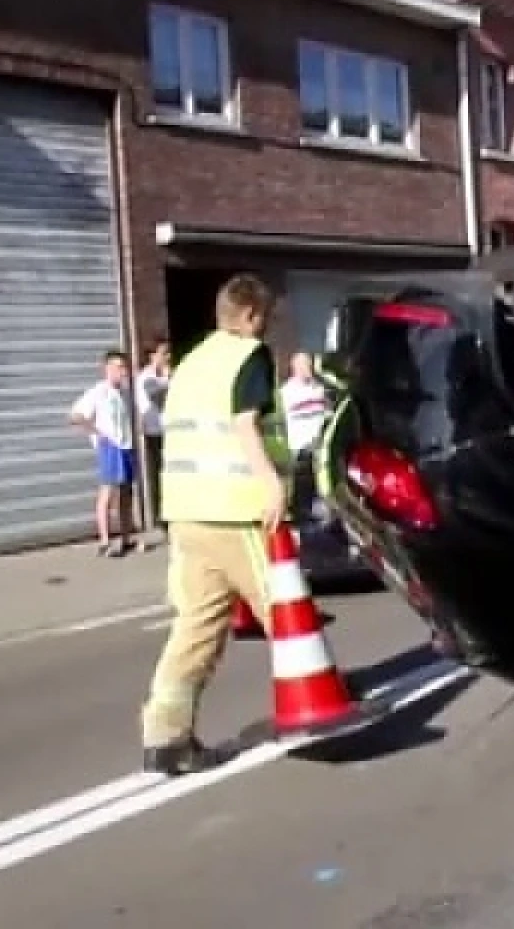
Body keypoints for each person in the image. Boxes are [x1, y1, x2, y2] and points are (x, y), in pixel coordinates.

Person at [140, 274, 289, 776]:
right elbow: (245, 424)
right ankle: (313, 695)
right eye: (264, 319)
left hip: (184, 512)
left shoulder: (191, 364)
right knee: (285, 607)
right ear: (250, 315)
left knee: (196, 627)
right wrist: (272, 484)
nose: (266, 328)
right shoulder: (246, 356)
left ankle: (166, 736)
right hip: (234, 506)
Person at [70, 350, 138, 556]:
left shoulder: (124, 392)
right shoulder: (99, 391)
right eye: (118, 367)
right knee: (107, 493)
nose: (122, 372)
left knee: (126, 493)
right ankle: (105, 541)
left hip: (126, 446)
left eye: (124, 367)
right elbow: (75, 415)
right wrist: (97, 433)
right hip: (110, 447)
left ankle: (126, 539)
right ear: (106, 369)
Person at [135, 339, 172, 532]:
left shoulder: (164, 377)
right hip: (154, 434)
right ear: (152, 356)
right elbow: (160, 398)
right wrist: (168, 378)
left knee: (170, 474)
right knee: (158, 474)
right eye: (163, 353)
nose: (167, 357)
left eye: (168, 353)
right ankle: (161, 517)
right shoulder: (145, 378)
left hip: (168, 431)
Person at [281, 351, 329, 458]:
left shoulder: (320, 388)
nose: (308, 367)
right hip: (302, 448)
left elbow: (327, 411)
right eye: (305, 364)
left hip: (321, 446)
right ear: (295, 367)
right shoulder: (286, 392)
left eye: (309, 364)